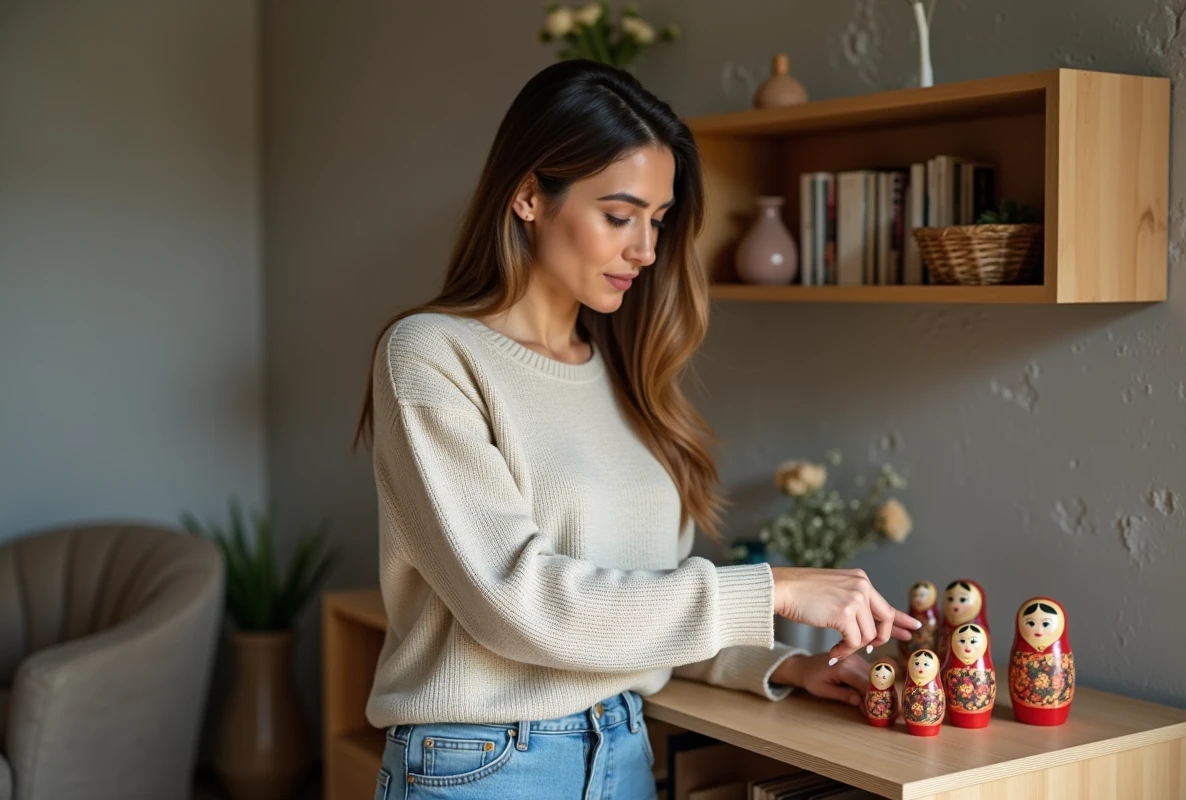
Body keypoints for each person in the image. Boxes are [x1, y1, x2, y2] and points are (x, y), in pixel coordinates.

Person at [351, 59, 921, 800]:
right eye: (620, 216)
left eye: (657, 220)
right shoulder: (432, 355)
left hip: (623, 752)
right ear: (528, 196)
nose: (646, 251)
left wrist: (785, 666)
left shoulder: (625, 373)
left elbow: (635, 612)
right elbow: (521, 605)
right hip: (483, 766)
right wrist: (770, 589)